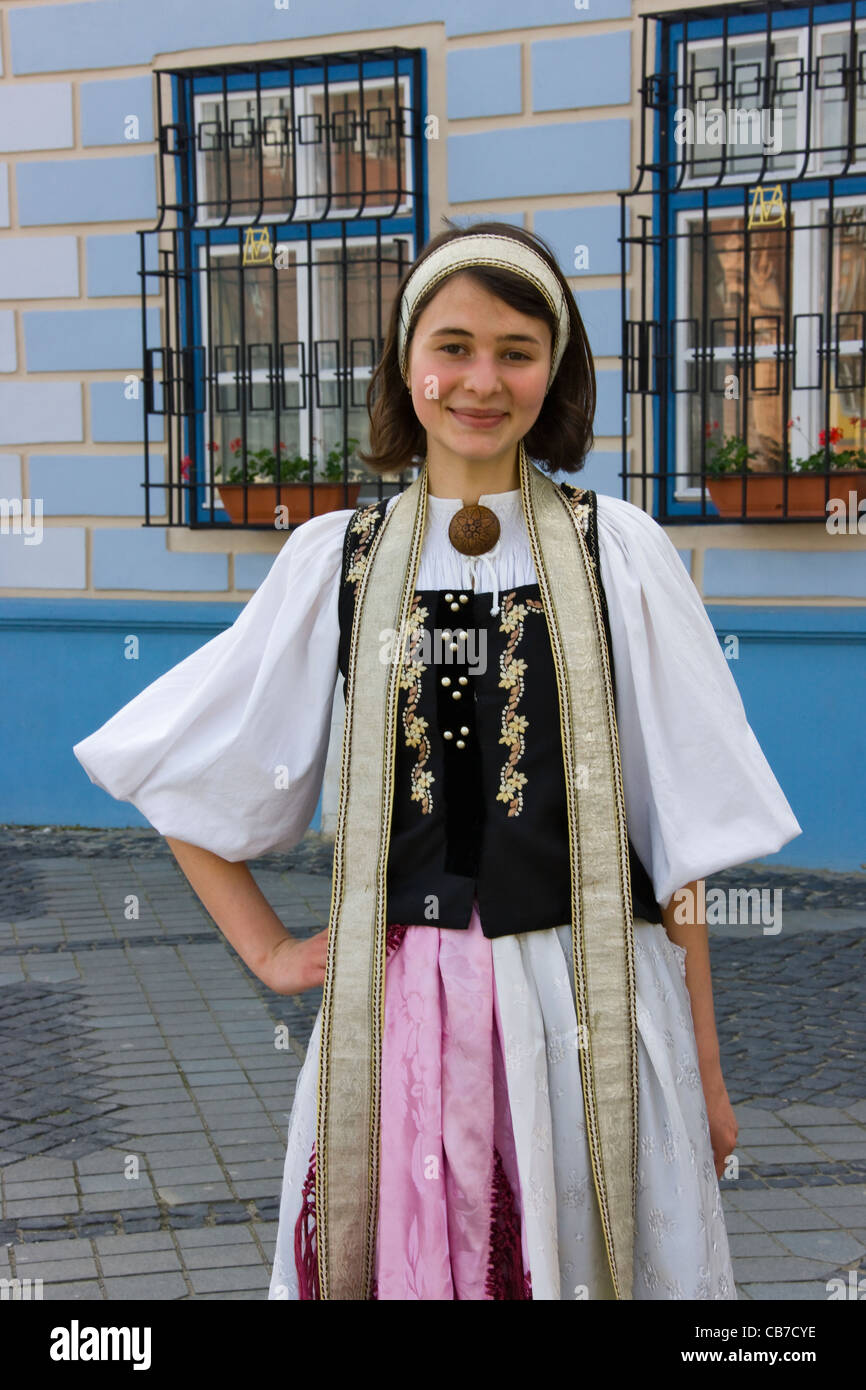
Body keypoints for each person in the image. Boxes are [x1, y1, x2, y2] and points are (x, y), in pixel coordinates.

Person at [72, 220, 802, 1302]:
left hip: (585, 1005)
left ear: (551, 372)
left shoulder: (622, 555)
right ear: (406, 364)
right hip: (403, 1015)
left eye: (514, 349)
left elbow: (672, 835)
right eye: (451, 345)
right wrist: (269, 952)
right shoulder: (341, 560)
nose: (479, 379)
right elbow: (177, 762)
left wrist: (703, 1065)